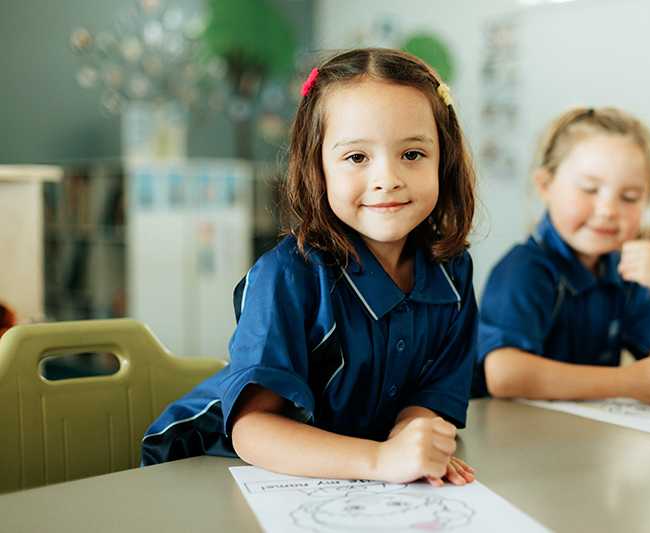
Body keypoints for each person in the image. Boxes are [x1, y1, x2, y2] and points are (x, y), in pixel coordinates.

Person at [143, 48, 478, 487]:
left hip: (341, 480)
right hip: (202, 474)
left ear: (444, 161)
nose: (387, 178)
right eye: (357, 157)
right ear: (317, 167)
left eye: (412, 154)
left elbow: (432, 395)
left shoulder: (452, 274)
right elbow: (252, 429)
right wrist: (381, 460)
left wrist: (408, 438)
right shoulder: (287, 277)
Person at [475, 107, 650, 405]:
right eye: (590, 189)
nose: (608, 209)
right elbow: (504, 374)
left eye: (630, 197)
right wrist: (625, 381)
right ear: (545, 185)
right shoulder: (524, 269)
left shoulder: (621, 272)